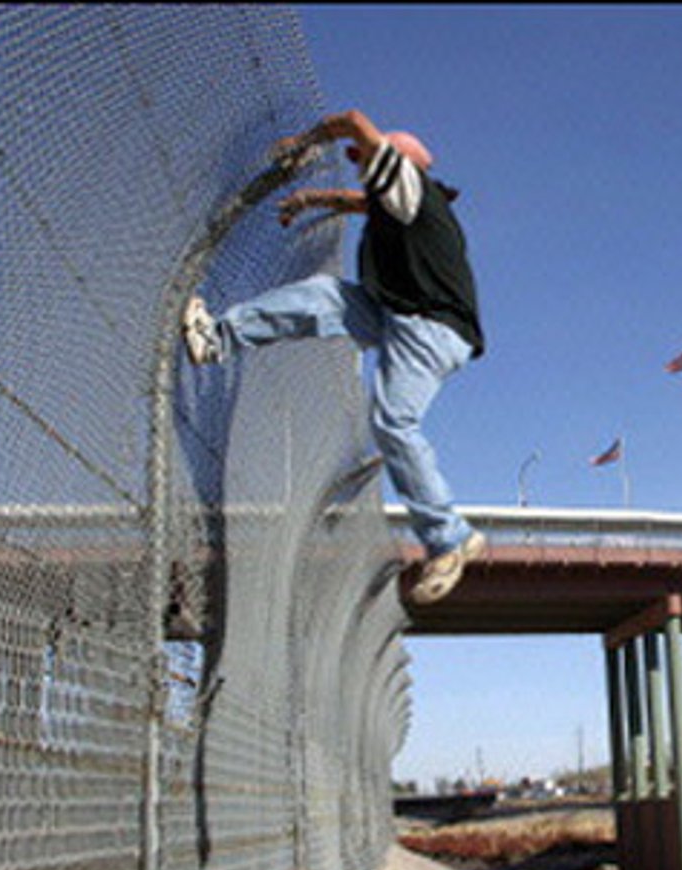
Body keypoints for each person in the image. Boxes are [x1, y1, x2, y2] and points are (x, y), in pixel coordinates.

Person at [181, 109, 486, 604]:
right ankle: (215, 339)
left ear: (394, 160)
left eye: (363, 158)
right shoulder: (396, 201)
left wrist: (305, 143)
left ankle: (449, 537)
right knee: (325, 297)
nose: (358, 165)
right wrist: (313, 200)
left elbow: (353, 120)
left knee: (393, 422)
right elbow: (361, 202)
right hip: (395, 315)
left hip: (428, 329)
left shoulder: (407, 184)